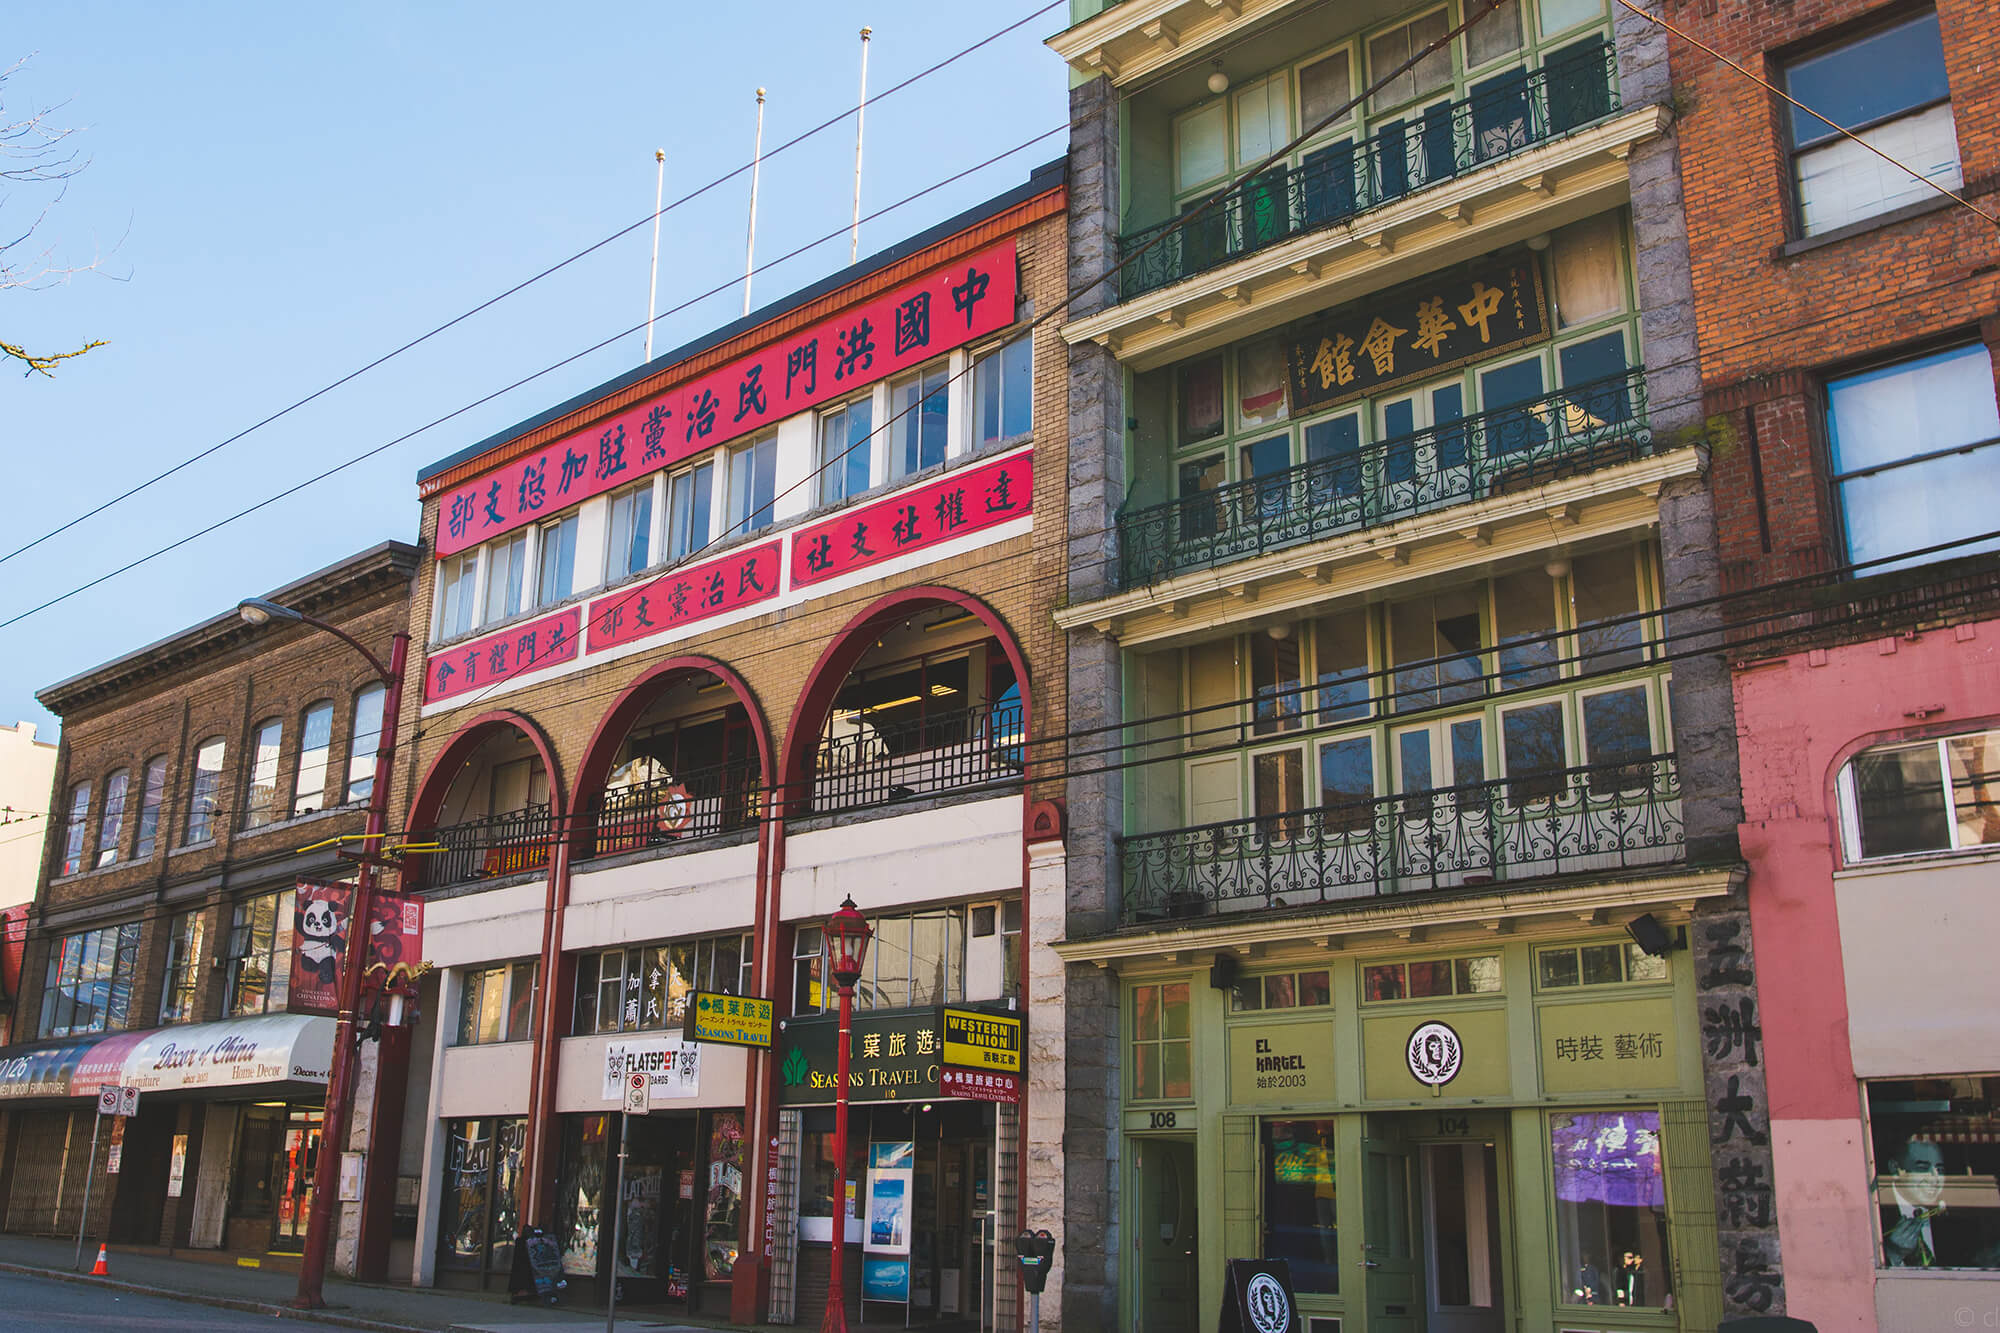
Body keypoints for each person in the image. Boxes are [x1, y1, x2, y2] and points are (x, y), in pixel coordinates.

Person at [1883, 1137, 1947, 1267]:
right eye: (1922, 1168)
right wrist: (1893, 1254)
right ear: (1895, 1168)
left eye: (1940, 1169)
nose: (1935, 1179)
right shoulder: (1874, 1213)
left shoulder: (1953, 1217)